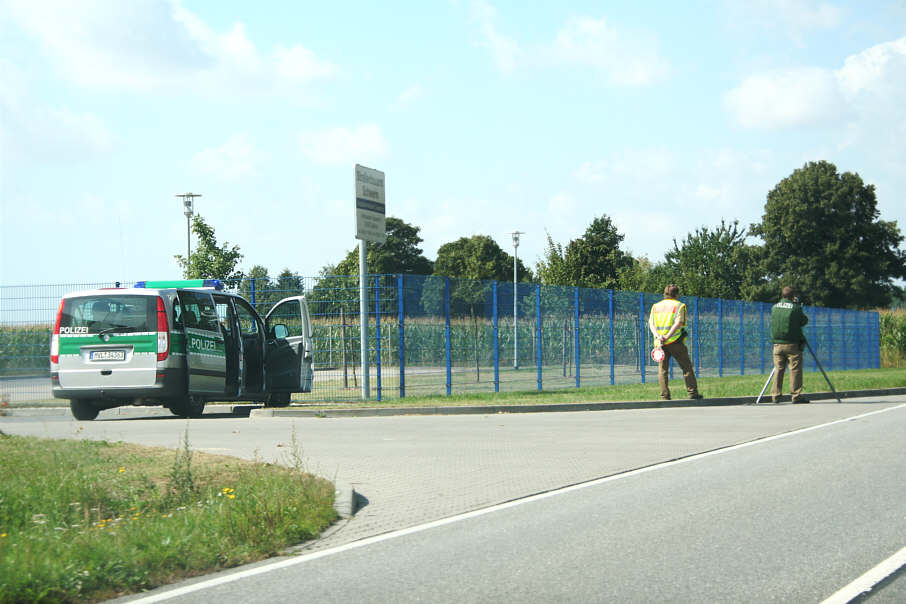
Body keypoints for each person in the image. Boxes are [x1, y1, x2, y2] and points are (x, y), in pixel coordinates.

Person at [648, 284, 702, 401]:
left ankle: (665, 395)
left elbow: (651, 324)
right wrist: (667, 336)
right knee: (686, 367)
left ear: (665, 294)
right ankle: (693, 393)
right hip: (676, 342)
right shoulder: (679, 306)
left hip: (660, 344)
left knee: (662, 371)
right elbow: (678, 323)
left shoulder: (655, 306)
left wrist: (659, 336)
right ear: (676, 294)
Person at [770, 286, 809, 403]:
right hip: (792, 344)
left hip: (777, 344)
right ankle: (796, 395)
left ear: (782, 295)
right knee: (795, 369)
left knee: (778, 369)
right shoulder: (795, 308)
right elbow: (803, 321)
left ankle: (775, 395)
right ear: (793, 296)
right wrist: (798, 306)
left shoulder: (774, 307)